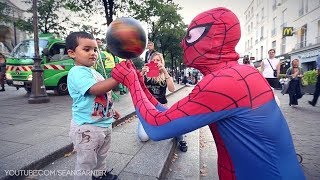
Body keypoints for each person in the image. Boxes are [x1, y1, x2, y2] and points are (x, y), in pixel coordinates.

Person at [112, 7, 304, 179]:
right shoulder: (242, 73)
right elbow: (167, 115)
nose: (182, 43)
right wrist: (140, 84)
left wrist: (130, 82)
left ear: (216, 39)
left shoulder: (224, 81)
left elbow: (157, 127)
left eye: (191, 36)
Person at [66, 31, 120, 180]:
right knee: (86, 161)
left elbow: (104, 94)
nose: (93, 53)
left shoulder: (93, 72)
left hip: (103, 123)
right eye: (86, 49)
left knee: (102, 155)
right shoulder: (77, 72)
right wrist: (118, 78)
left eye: (95, 49)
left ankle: (99, 175)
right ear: (72, 53)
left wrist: (112, 110)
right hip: (87, 128)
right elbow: (94, 90)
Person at [139, 52, 188, 152]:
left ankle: (181, 139)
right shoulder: (145, 74)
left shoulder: (164, 74)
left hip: (161, 108)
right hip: (147, 110)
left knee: (176, 122)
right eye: (153, 60)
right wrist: (141, 73)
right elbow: (137, 88)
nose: (156, 62)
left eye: (158, 60)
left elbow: (172, 89)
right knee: (143, 137)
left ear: (162, 62)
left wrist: (165, 71)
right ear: (149, 62)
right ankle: (147, 124)